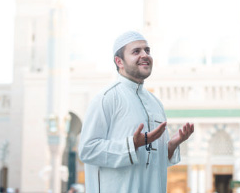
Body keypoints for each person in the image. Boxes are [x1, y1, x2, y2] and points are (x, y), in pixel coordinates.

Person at [79, 31, 194, 193]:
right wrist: (132, 144)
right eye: (136, 51)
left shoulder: (155, 104)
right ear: (119, 61)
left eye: (147, 50)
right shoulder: (107, 98)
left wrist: (171, 146)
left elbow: (152, 159)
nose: (144, 55)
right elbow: (87, 150)